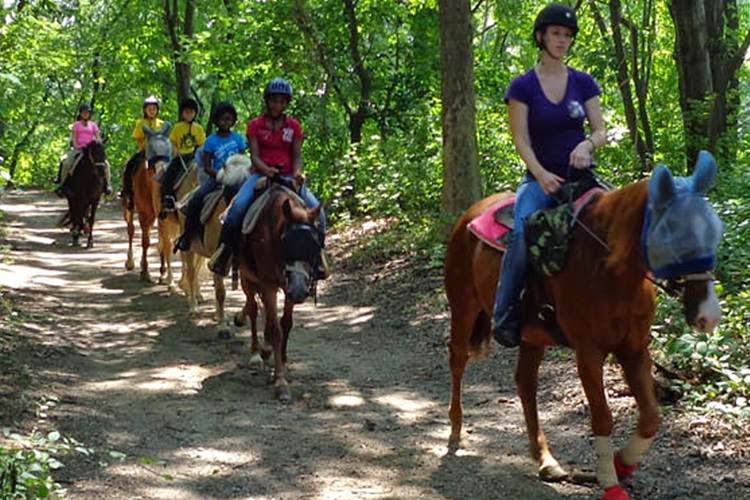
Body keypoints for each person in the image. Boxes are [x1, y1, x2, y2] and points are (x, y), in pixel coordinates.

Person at [492, 3, 607, 348]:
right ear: (541, 36)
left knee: (619, 225)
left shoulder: (584, 82)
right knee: (521, 233)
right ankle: (505, 312)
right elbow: (520, 138)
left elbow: (601, 130)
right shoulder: (522, 86)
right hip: (541, 180)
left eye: (568, 35)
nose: (563, 40)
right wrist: (540, 174)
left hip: (582, 179)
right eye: (556, 33)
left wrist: (587, 145)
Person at [207, 78, 328, 280]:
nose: (277, 105)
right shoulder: (255, 125)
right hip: (260, 175)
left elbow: (296, 154)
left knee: (320, 215)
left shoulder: (294, 127)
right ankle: (225, 254)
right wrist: (266, 170)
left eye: (282, 101)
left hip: (289, 176)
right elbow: (254, 155)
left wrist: (298, 173)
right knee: (235, 211)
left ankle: (318, 259)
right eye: (274, 100)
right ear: (267, 101)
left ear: (286, 103)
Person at [175, 101, 247, 251]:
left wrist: (237, 175)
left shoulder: (238, 139)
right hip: (216, 178)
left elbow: (242, 161)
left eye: (229, 119)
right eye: (222, 119)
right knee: (195, 199)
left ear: (233, 121)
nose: (225, 122)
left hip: (238, 180)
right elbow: (207, 167)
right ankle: (187, 236)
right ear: (216, 121)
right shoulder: (210, 141)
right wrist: (222, 175)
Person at [160, 98, 206, 216]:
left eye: (191, 112)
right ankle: (167, 199)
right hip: (180, 156)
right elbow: (172, 141)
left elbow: (202, 144)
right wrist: (175, 150)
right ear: (182, 113)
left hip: (194, 157)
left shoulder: (199, 128)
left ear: (195, 113)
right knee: (169, 174)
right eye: (186, 112)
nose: (189, 114)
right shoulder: (177, 127)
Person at [55, 103, 109, 196]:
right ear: (80, 113)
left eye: (87, 112)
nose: (85, 114)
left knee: (106, 164)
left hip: (91, 150)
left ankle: (107, 185)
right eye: (84, 112)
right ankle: (62, 184)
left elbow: (98, 138)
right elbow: (74, 138)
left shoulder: (93, 125)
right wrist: (77, 146)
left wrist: (98, 145)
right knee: (66, 162)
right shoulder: (76, 125)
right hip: (79, 149)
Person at [120, 95, 164, 209]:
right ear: (145, 110)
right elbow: (138, 138)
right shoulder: (141, 123)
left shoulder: (161, 123)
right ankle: (128, 192)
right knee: (130, 165)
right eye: (149, 109)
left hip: (159, 153)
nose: (152, 111)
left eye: (154, 109)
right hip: (145, 152)